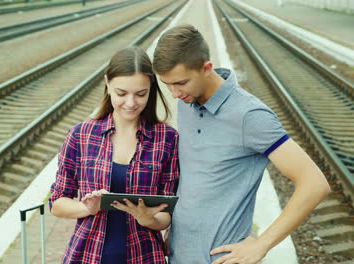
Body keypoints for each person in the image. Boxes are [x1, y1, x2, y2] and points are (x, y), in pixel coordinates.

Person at [152, 24, 330, 264]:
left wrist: (262, 244)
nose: (174, 93)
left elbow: (315, 183)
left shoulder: (250, 116)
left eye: (181, 82)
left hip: (220, 258)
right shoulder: (187, 101)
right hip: (178, 254)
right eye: (167, 84)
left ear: (206, 68)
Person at [49, 46, 179, 264]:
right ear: (107, 83)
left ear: (151, 89)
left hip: (144, 256)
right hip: (87, 256)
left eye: (140, 94)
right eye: (121, 93)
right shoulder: (81, 135)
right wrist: (86, 207)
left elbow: (165, 215)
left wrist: (148, 219)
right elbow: (57, 203)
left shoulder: (167, 139)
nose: (130, 103)